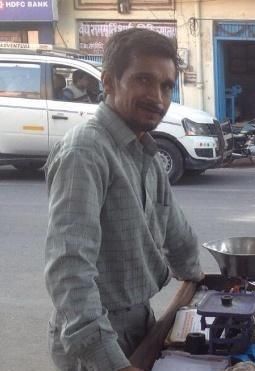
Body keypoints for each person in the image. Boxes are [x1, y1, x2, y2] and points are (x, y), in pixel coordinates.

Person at [45, 28, 204, 371]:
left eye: (166, 86)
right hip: (96, 341)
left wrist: (200, 280)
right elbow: (69, 271)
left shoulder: (144, 148)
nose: (157, 97)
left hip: (139, 322)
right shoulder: (85, 152)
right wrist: (112, 362)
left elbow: (176, 232)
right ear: (108, 82)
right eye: (143, 80)